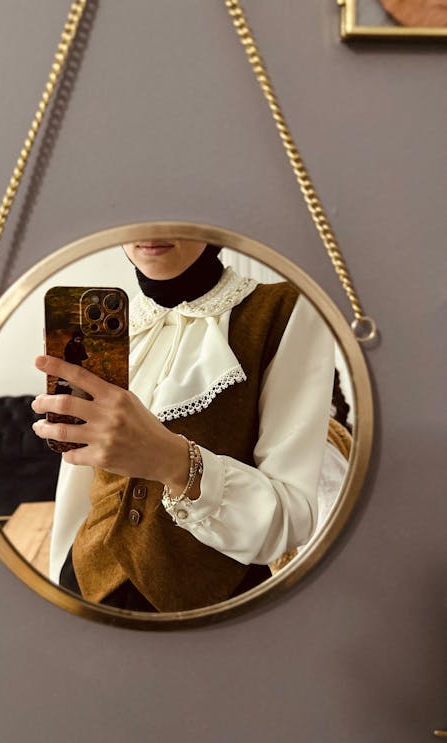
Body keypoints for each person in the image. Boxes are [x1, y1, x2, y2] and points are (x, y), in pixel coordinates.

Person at [31, 241, 346, 612]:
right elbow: (78, 488)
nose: (151, 229)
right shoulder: (111, 327)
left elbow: (291, 519)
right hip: (85, 586)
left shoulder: (285, 309)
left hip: (214, 615)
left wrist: (172, 461)